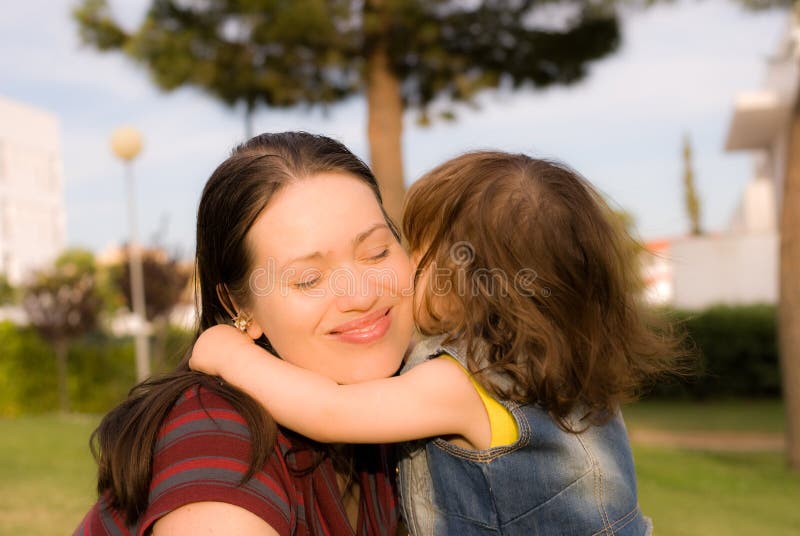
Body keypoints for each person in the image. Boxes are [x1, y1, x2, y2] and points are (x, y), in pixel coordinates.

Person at [190, 151, 687, 535]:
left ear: (468, 282)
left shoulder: (460, 383)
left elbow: (330, 409)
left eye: (412, 252)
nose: (404, 269)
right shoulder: (565, 367)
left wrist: (229, 353)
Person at [74, 131, 416, 535]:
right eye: (308, 279)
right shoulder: (218, 435)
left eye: (377, 252)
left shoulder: (402, 404)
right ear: (239, 306)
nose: (362, 295)